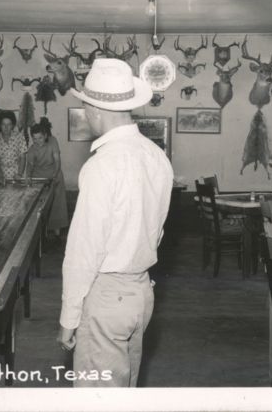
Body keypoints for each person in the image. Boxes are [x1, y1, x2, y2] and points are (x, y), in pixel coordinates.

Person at [58, 58, 174, 387]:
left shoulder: (102, 165)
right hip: (140, 293)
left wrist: (69, 316)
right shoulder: (157, 156)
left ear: (94, 111)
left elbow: (84, 249)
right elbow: (157, 231)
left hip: (107, 296)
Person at [23, 117, 69, 241]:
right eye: (34, 139)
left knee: (57, 203)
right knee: (41, 205)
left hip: (55, 174)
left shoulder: (53, 141)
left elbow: (57, 160)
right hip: (39, 177)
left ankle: (57, 230)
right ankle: (40, 230)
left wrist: (55, 174)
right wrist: (28, 178)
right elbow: (30, 166)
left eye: (40, 138)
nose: (37, 141)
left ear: (45, 135)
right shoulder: (32, 150)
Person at [0, 110, 27, 182]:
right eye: (3, 124)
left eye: (9, 124)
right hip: (1, 176)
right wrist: (1, 177)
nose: (6, 127)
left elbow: (23, 158)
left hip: (17, 175)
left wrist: (19, 174)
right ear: (0, 125)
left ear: (12, 125)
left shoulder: (20, 137)